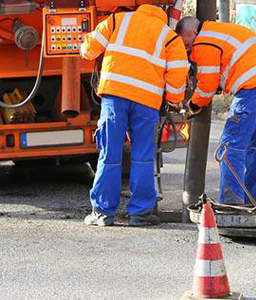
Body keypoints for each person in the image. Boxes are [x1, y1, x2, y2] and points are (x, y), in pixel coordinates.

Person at [80, 5, 189, 226]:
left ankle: (102, 213)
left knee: (109, 153)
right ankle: (140, 214)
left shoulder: (116, 20)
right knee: (143, 156)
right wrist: (174, 101)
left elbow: (89, 50)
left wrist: (85, 45)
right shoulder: (169, 36)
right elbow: (178, 74)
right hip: (146, 101)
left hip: (115, 96)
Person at [175, 17, 256, 205]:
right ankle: (252, 200)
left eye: (186, 43)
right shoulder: (223, 29)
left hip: (253, 89)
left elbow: (207, 85)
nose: (187, 48)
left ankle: (231, 202)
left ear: (192, 33)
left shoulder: (204, 41)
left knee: (230, 147)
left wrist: (192, 106)